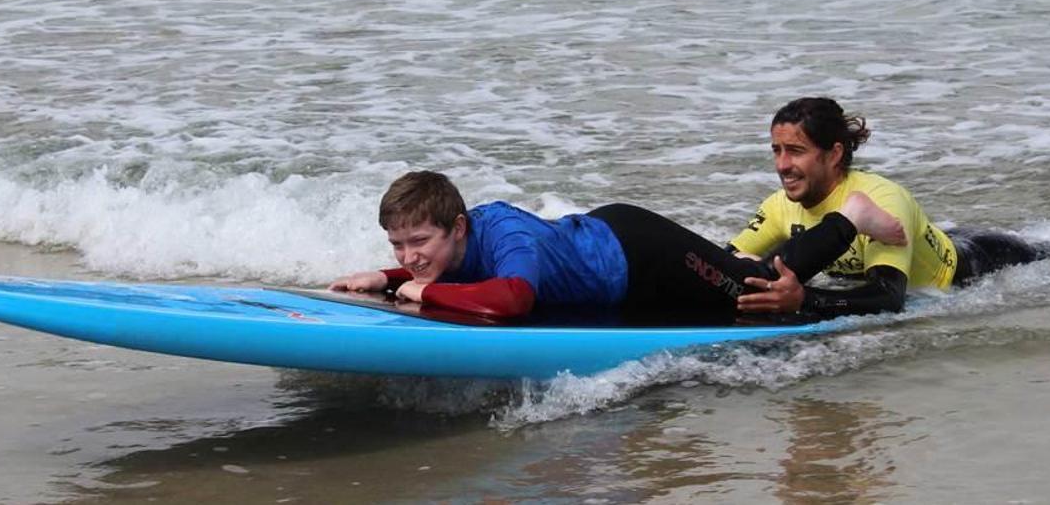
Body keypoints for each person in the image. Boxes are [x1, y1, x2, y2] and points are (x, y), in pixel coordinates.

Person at [729, 97, 1050, 318]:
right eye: (777, 151)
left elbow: (888, 298)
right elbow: (730, 258)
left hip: (978, 260)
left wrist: (805, 300)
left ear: (834, 154)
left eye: (796, 151)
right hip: (940, 237)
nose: (783, 165)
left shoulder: (878, 201)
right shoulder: (780, 206)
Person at [329, 170, 908, 322]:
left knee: (753, 290)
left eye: (418, 243)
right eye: (397, 246)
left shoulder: (509, 237)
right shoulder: (447, 243)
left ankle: (849, 220)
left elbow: (512, 300)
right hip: (605, 243)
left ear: (457, 227)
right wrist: (386, 278)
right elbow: (433, 269)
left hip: (639, 253)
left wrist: (422, 292)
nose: (409, 256)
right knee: (739, 271)